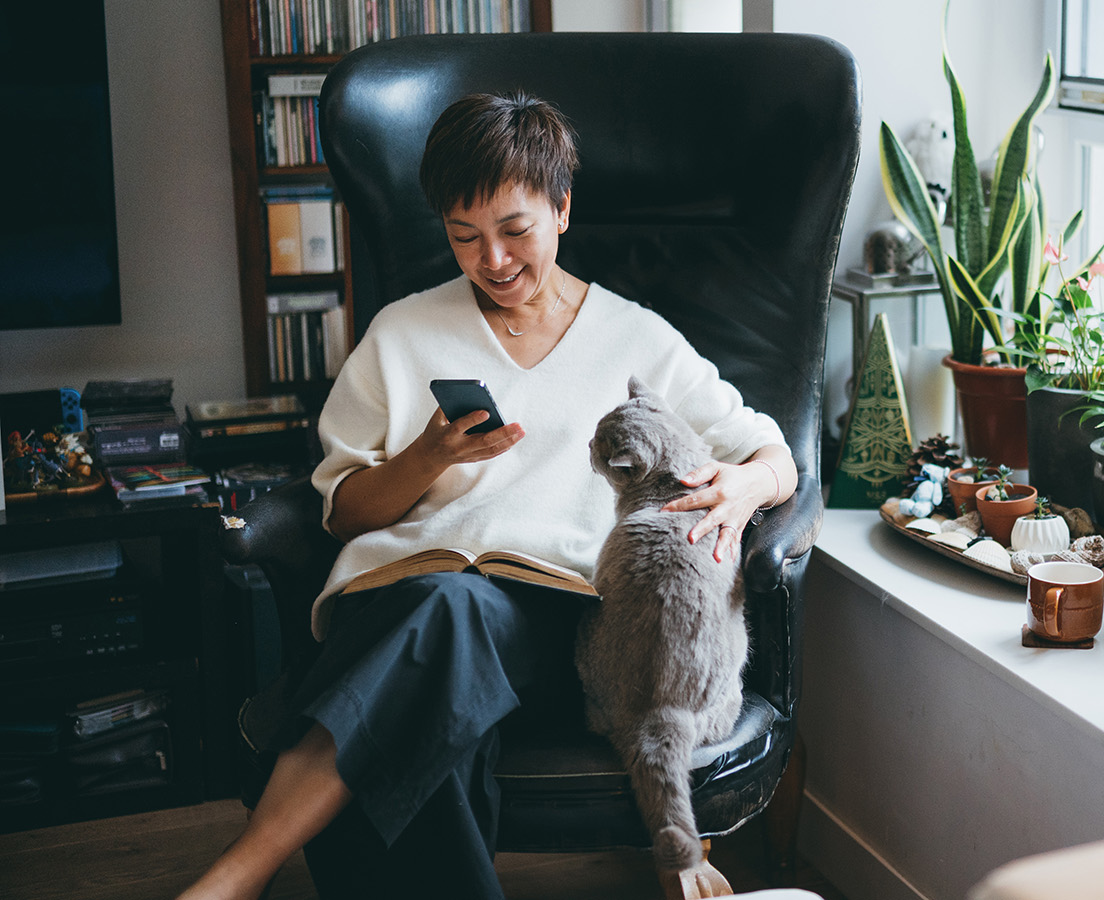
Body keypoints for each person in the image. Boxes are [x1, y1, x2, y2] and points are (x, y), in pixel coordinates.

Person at [179, 92, 796, 900]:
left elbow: (771, 449)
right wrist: (429, 454)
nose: (493, 261)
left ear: (563, 209)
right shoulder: (401, 333)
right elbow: (342, 512)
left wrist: (745, 487)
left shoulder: (635, 338)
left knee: (453, 620)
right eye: (464, 237)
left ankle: (240, 870)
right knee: (442, 686)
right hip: (396, 599)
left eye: (515, 231)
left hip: (554, 618)